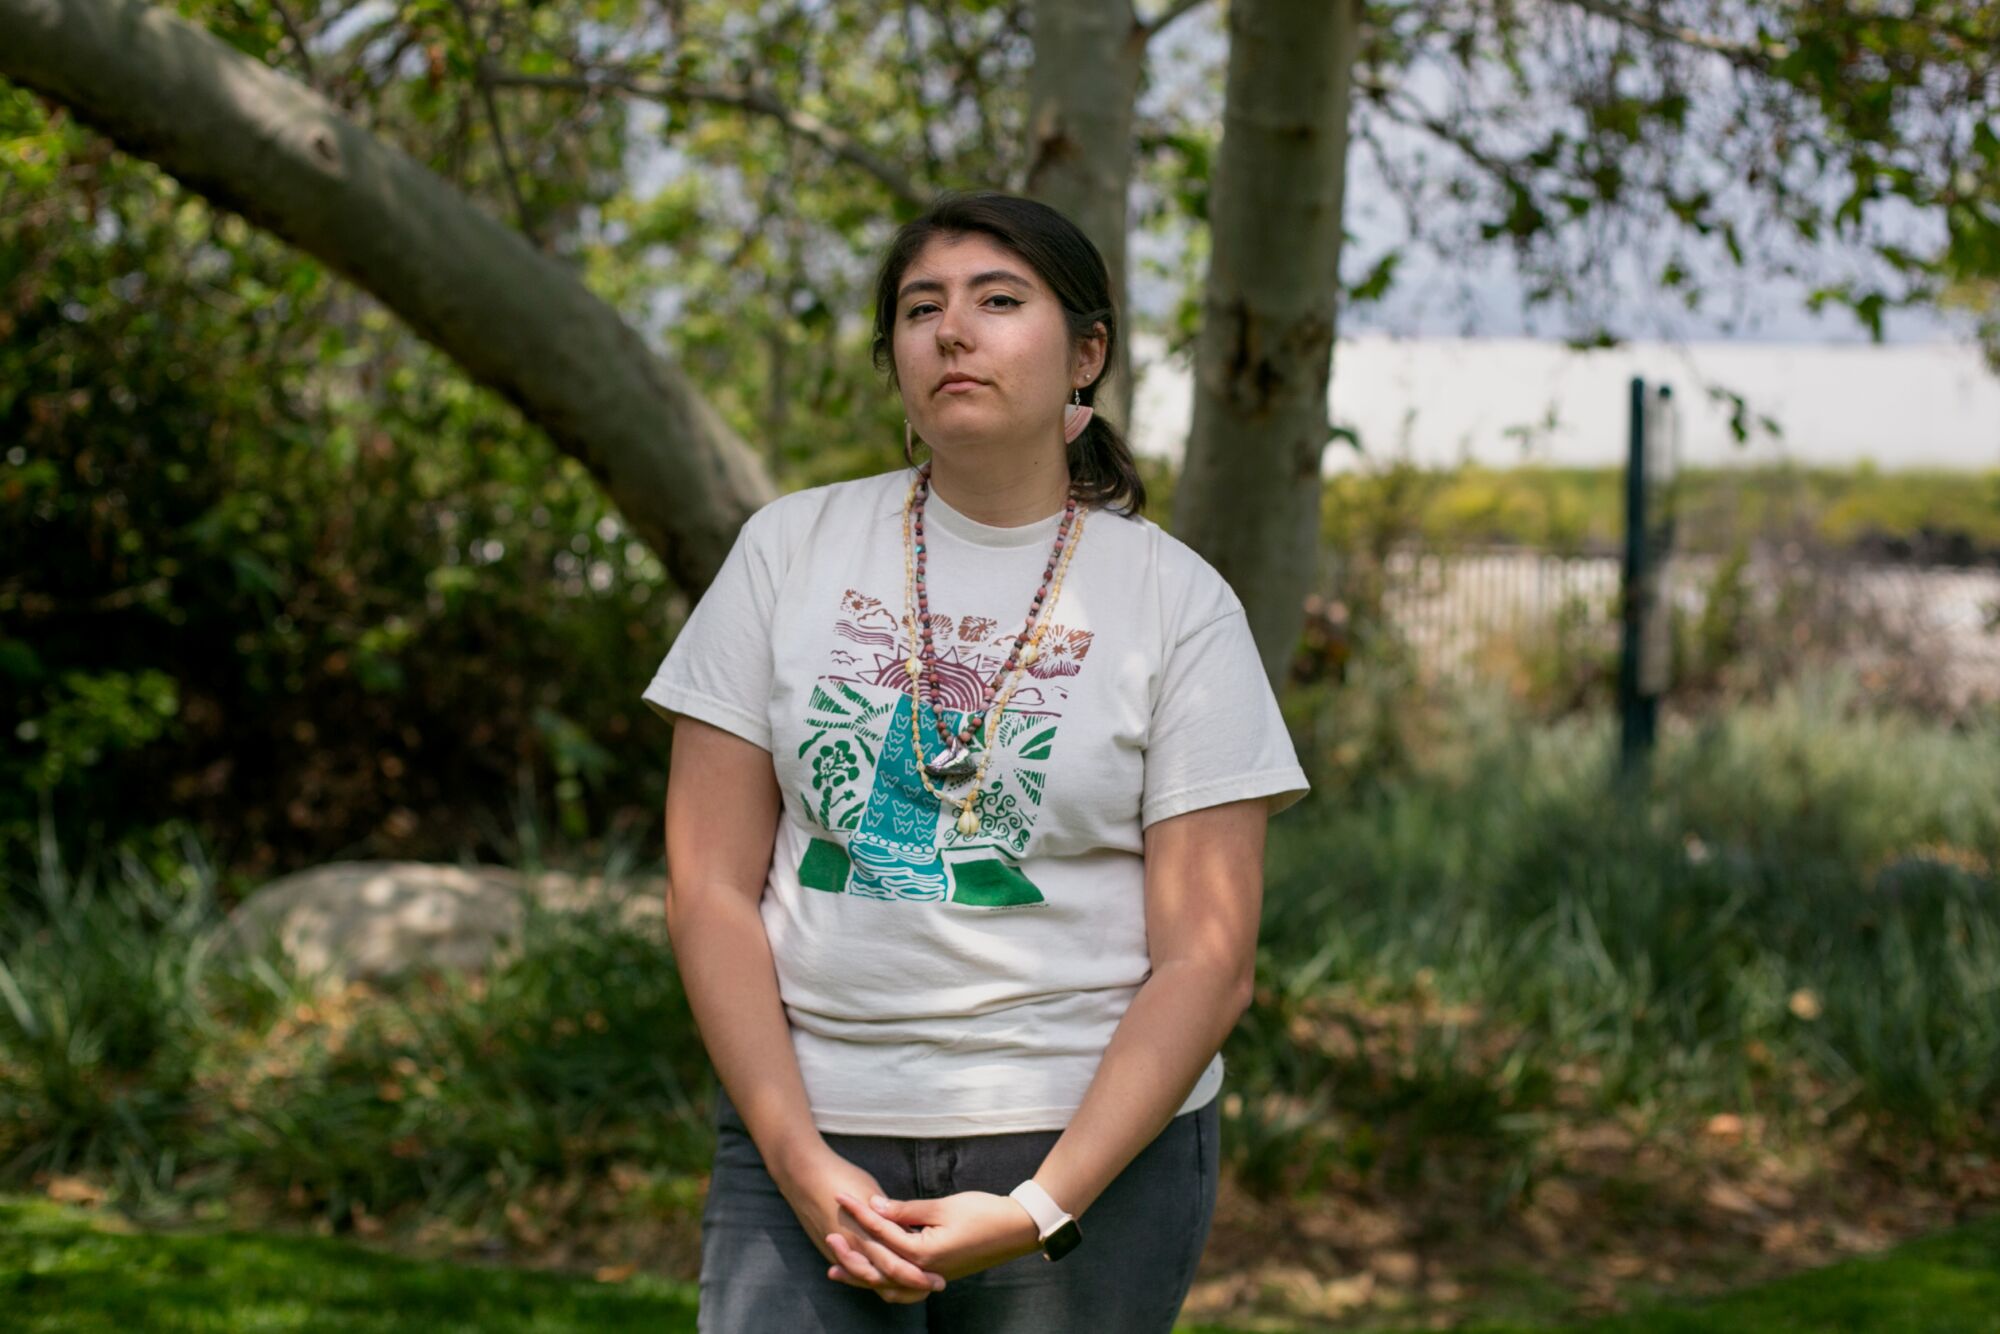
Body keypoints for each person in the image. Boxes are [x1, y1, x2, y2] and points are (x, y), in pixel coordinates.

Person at [644, 189, 1310, 1333]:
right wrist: (796, 1155)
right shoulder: (787, 549)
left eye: (998, 300)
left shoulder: (1173, 600)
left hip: (1086, 1146)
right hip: (807, 1127)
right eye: (920, 307)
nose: (952, 330)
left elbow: (1207, 956)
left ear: (1084, 354)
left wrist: (1042, 1204)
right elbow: (706, 885)